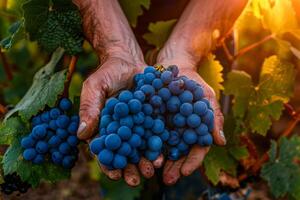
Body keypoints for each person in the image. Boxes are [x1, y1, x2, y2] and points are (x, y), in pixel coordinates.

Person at [72, 0, 248, 187]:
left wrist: (186, 53)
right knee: (126, 174)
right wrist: (116, 48)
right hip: (114, 25)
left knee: (198, 180)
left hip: (204, 31)